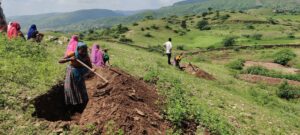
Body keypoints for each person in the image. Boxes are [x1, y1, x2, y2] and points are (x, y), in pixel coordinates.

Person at [59, 42, 92, 113]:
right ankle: (71, 105)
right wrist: (69, 59)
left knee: (80, 88)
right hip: (71, 73)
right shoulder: (73, 54)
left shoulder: (86, 56)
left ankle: (81, 104)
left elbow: (90, 67)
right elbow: (60, 61)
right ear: (78, 49)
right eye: (82, 50)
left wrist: (89, 72)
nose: (83, 52)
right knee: (71, 87)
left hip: (80, 74)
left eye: (84, 50)